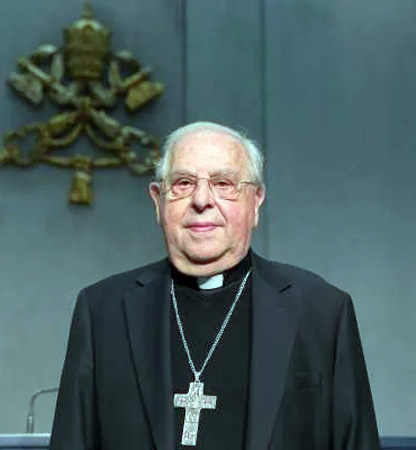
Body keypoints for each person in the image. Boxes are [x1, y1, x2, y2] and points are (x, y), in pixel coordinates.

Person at [50, 121, 380, 449]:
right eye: (183, 183)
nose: (201, 200)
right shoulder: (102, 312)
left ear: (256, 201)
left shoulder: (322, 311)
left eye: (223, 183)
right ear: (157, 201)